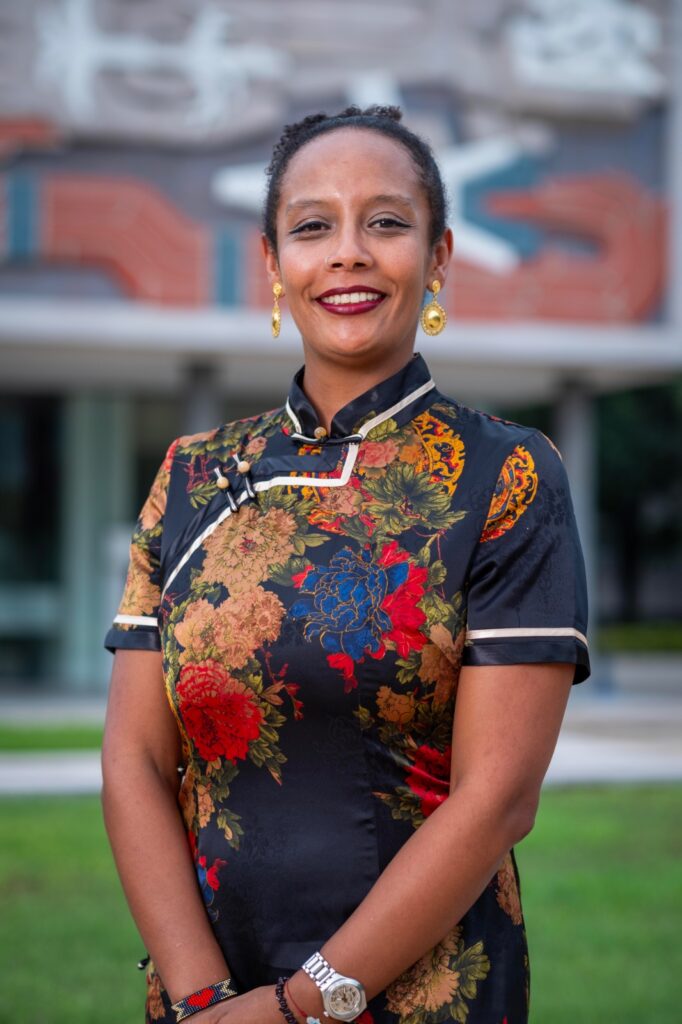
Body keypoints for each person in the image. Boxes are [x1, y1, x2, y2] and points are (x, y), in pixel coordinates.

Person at [101, 105, 590, 1024]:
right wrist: (204, 998)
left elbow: (498, 799)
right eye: (313, 226)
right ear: (273, 262)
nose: (349, 253)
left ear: (439, 256)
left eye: (387, 222)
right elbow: (133, 759)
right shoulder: (192, 475)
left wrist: (298, 1008)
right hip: (209, 988)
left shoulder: (507, 474)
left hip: (426, 992)